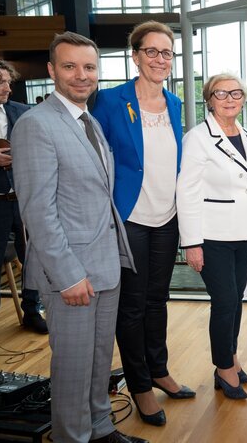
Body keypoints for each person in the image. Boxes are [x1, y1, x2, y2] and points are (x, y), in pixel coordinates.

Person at [12, 31, 147, 443]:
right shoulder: (36, 125)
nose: (81, 75)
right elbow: (38, 211)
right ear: (52, 70)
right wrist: (68, 274)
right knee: (72, 367)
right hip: (70, 272)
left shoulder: (88, 121)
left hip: (105, 264)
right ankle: (73, 437)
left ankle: (101, 428)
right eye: (69, 66)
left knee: (98, 360)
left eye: (89, 67)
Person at [92, 21, 193, 427]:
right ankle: (139, 386)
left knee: (157, 299)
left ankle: (159, 368)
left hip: (166, 217)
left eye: (166, 52)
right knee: (131, 307)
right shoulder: (111, 100)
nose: (159, 59)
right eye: (151, 51)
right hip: (130, 217)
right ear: (135, 56)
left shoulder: (175, 103)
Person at [177, 74, 247, 400]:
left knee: (236, 300)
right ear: (209, 99)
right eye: (221, 93)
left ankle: (231, 355)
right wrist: (191, 243)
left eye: (236, 93)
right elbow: (186, 192)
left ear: (243, 98)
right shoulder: (198, 138)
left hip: (242, 234)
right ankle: (223, 367)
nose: (230, 98)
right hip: (210, 236)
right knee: (225, 301)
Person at [0, 60, 47, 334]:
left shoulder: (23, 112)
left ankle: (32, 310)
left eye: (8, 81)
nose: (7, 87)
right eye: (0, 82)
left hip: (23, 199)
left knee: (34, 258)